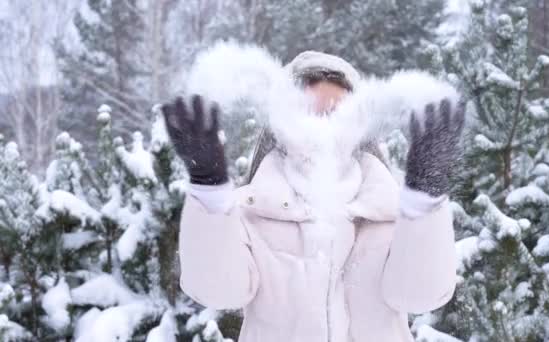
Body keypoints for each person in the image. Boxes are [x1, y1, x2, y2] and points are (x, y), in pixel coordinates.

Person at [161, 49, 465, 342]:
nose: (325, 126)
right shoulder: (250, 209)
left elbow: (421, 294)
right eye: (312, 112)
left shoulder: (392, 209)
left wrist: (426, 195)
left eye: (337, 112)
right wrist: (208, 187)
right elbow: (218, 291)